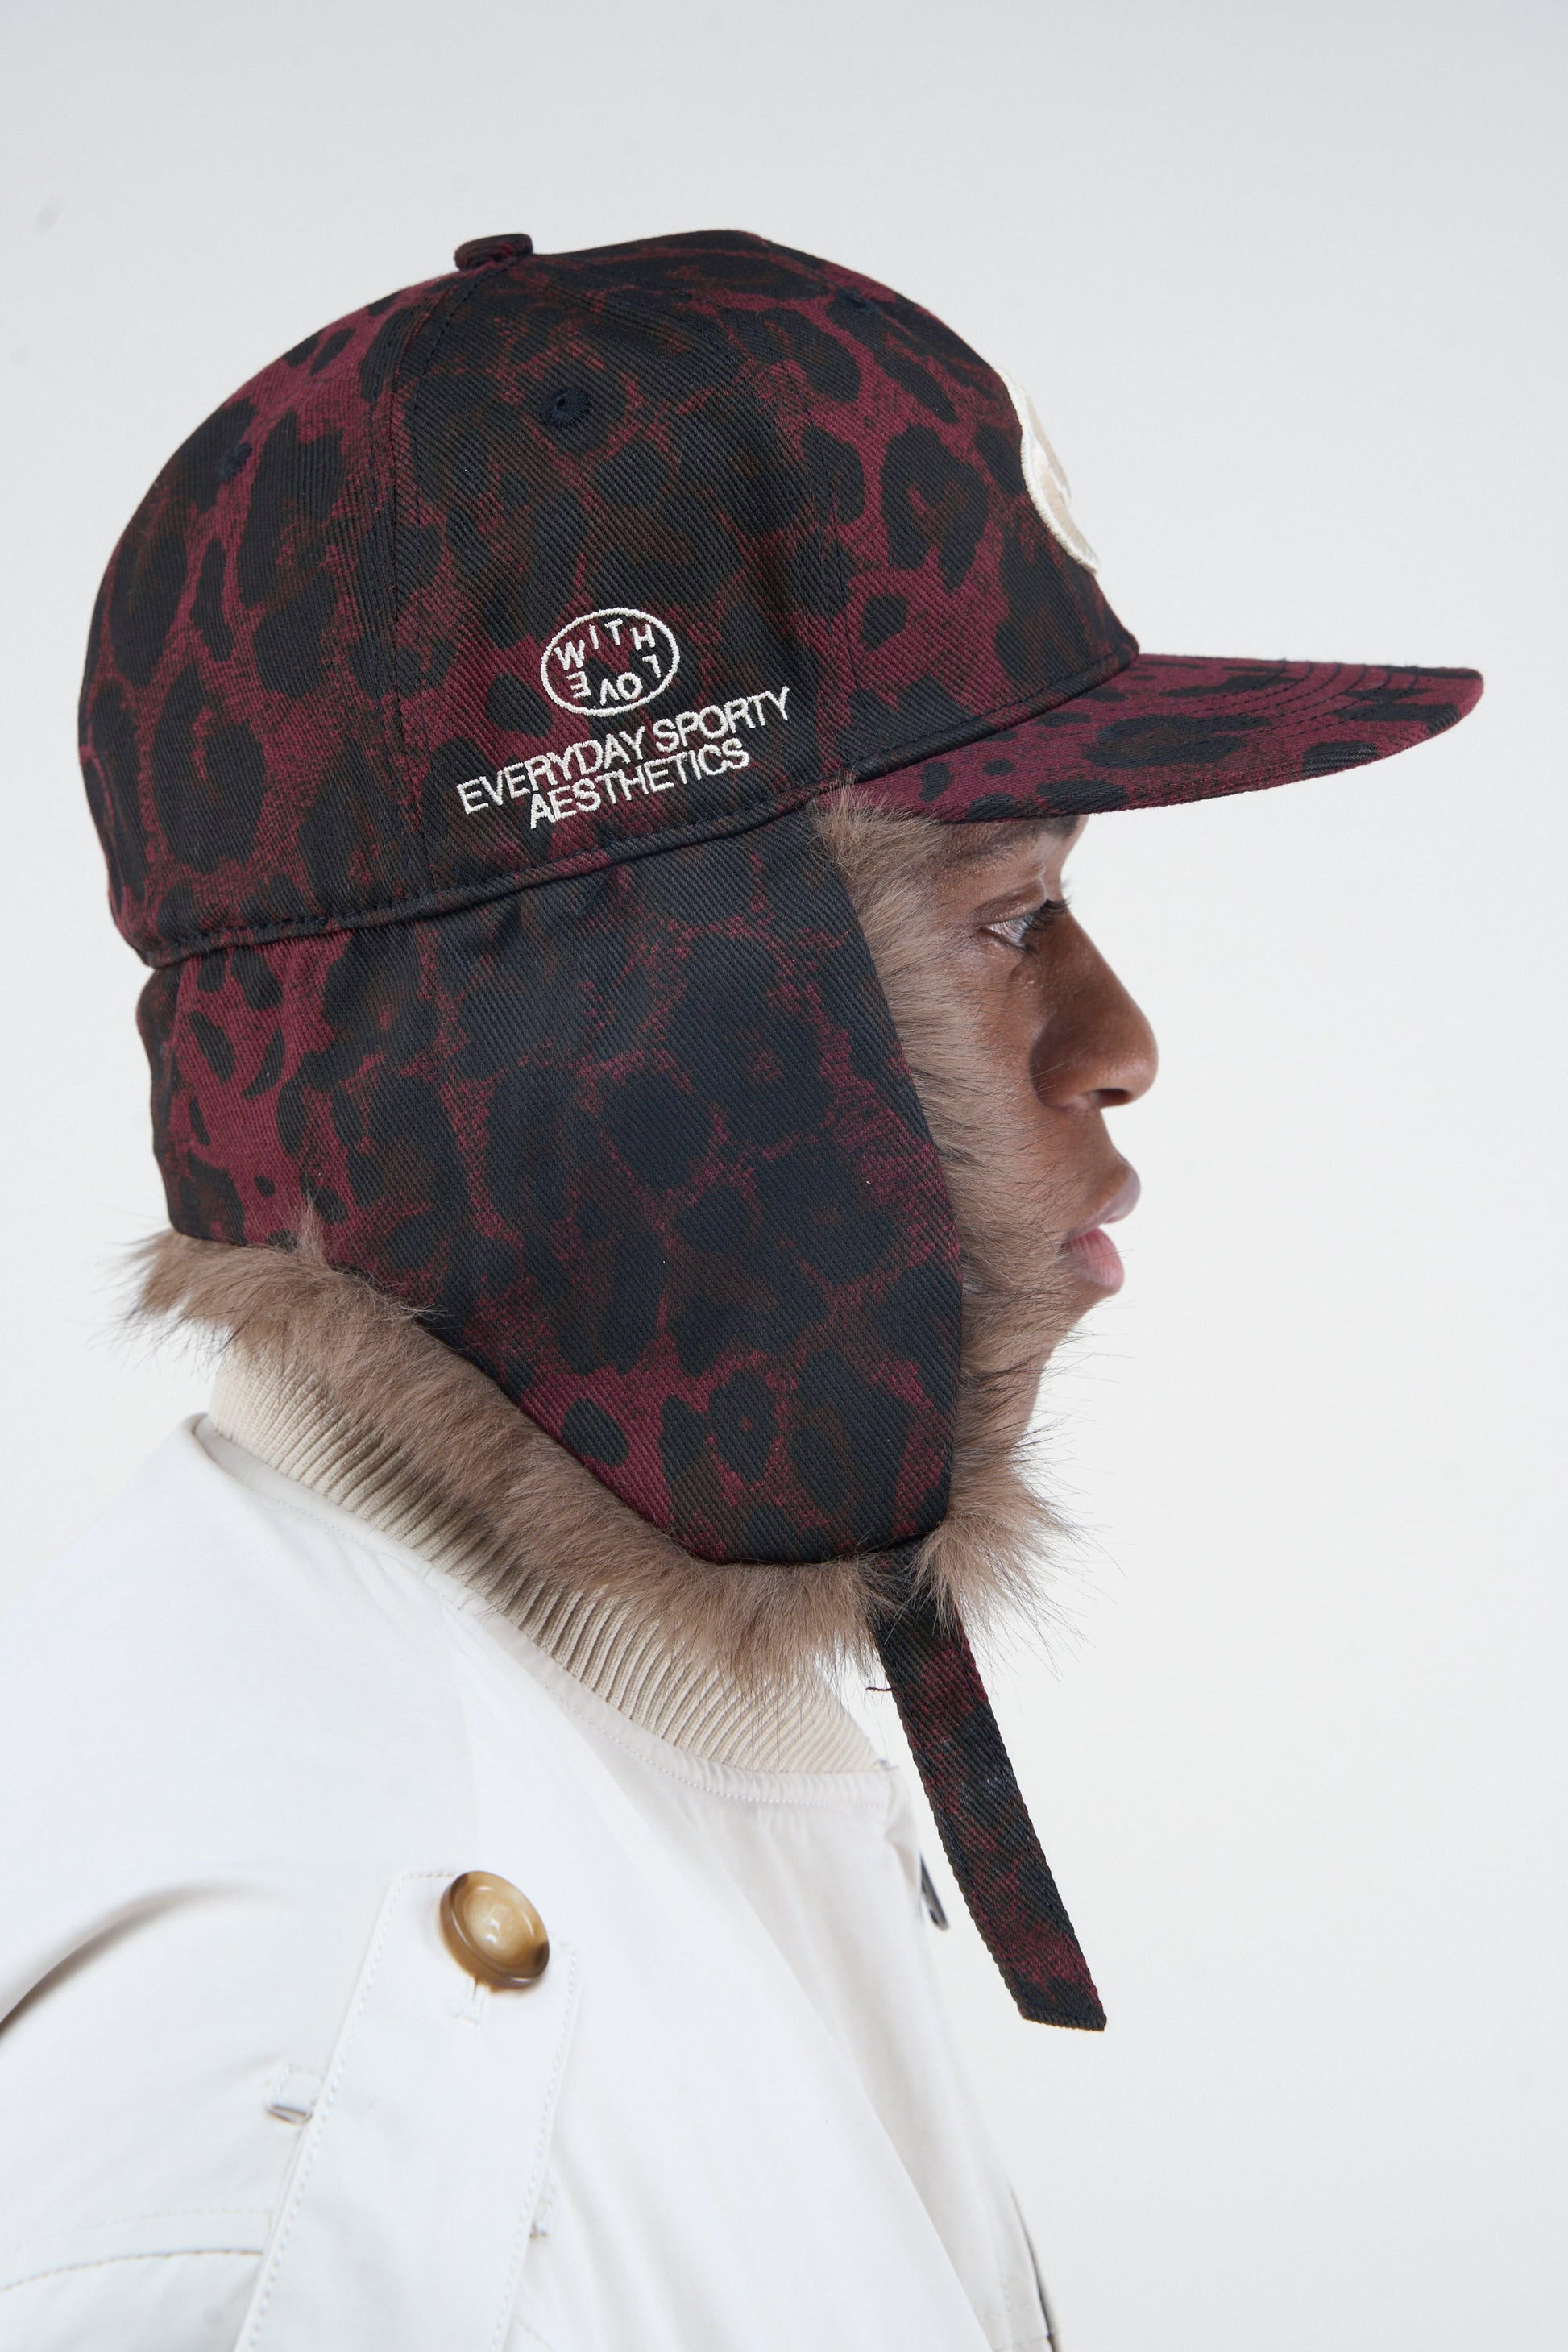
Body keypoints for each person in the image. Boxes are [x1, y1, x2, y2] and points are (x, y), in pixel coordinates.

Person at [0, 227, 1479, 2350]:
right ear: (628, 1040)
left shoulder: (612, 1745)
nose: (1119, 1042)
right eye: (1003, 921)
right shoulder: (344, 2122)